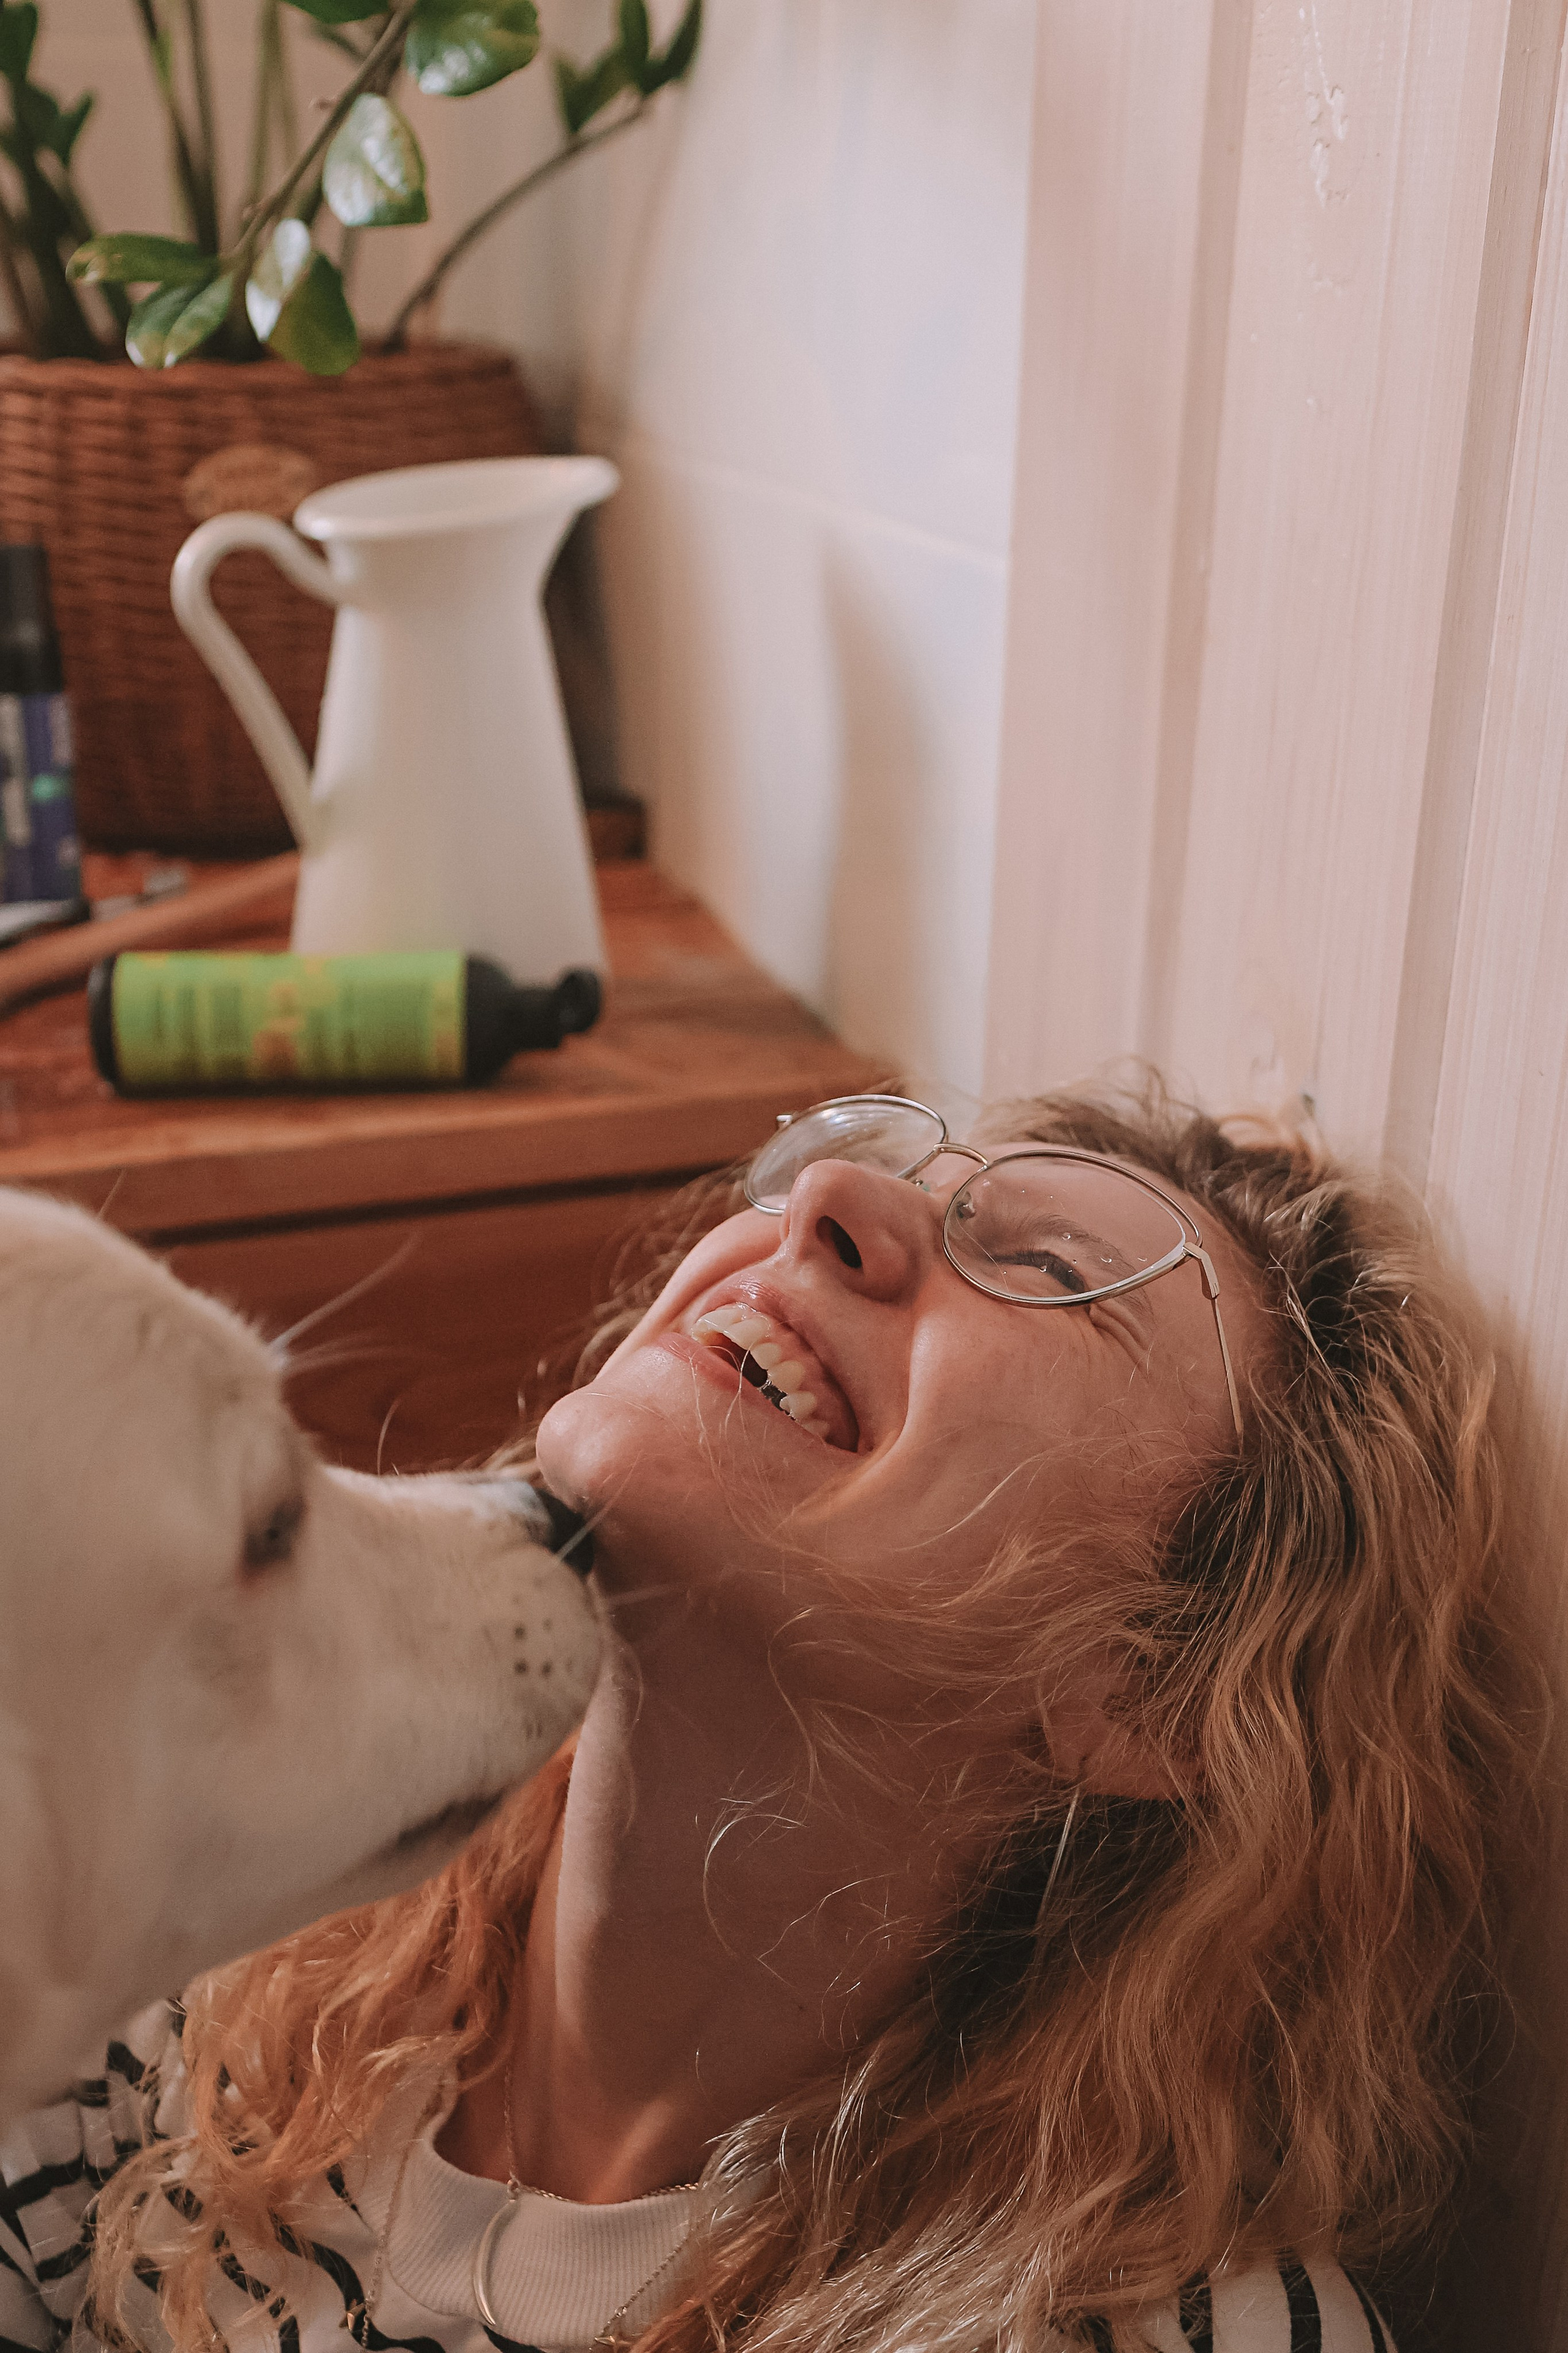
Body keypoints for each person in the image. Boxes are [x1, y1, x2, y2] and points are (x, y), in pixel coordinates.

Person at [0, 1082, 1537, 2353]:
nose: (823, 1207)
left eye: (1049, 1275)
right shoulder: (193, 1951)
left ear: (1150, 1689)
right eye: (869, 1167)